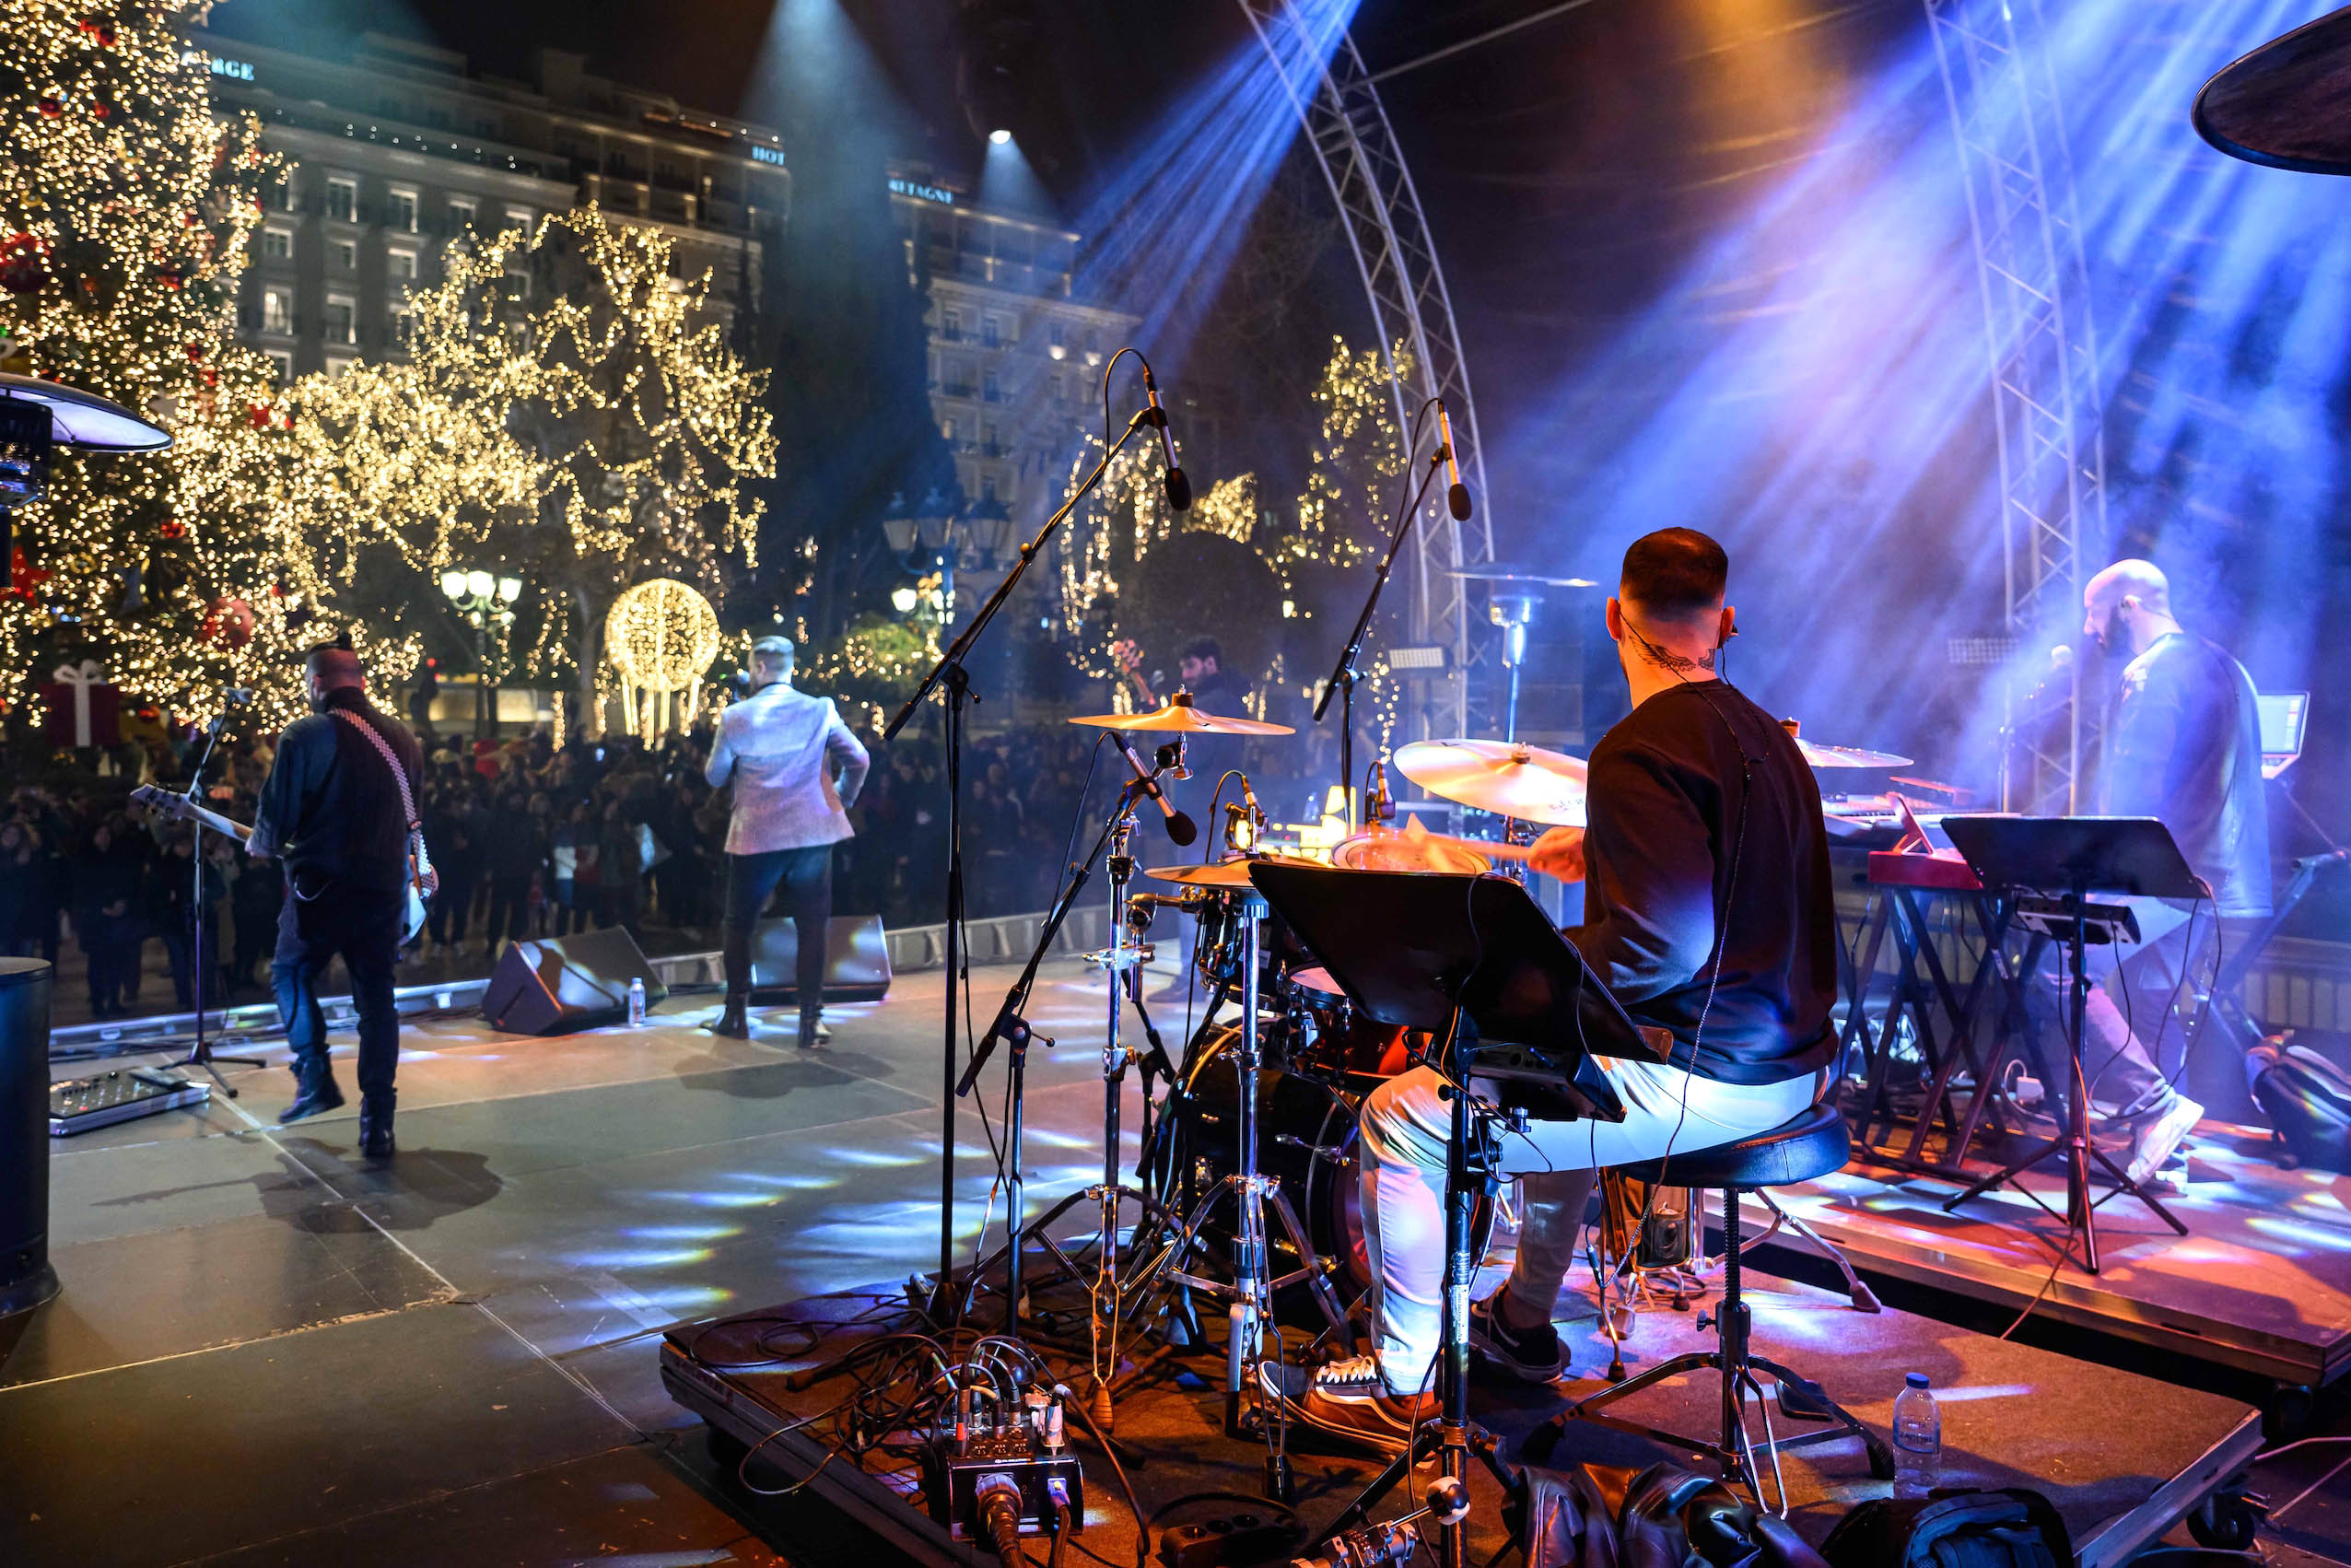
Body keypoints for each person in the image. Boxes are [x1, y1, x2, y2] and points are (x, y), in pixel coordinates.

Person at [1259, 528, 1841, 1453]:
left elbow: (1658, 946)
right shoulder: (1770, 742)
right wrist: (1602, 849)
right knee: (1558, 1061)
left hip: (1712, 1077)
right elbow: (1726, 880)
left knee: (1399, 1117)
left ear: (1613, 616)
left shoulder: (1637, 751)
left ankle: (1399, 1379)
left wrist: (1479, 920)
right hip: (1797, 1066)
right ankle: (1521, 1328)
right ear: (1724, 624)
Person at [2043, 559, 2271, 1188]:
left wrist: (2085, 863)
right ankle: (2166, 1154)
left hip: (2166, 871)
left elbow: (2131, 793)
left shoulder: (2149, 673)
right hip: (2225, 877)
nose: (2090, 632)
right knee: (2159, 1005)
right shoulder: (2233, 670)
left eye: (2094, 614)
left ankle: (2155, 1105)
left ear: (2126, 607)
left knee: (2059, 969)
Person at [248, 642, 424, 1157]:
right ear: (361, 682)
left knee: (291, 973)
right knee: (376, 1003)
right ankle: (378, 1123)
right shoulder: (403, 739)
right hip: (382, 893)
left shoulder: (305, 735)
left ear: (317, 683)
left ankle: (315, 1075)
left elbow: (272, 824)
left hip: (321, 893)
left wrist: (263, 840)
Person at [706, 637, 869, 1046]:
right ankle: (810, 1020)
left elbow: (714, 775)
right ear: (789, 668)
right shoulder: (820, 708)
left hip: (756, 835)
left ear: (758, 668)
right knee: (811, 925)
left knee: (738, 924)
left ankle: (736, 1014)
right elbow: (860, 759)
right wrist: (841, 799)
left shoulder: (736, 716)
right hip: (813, 832)